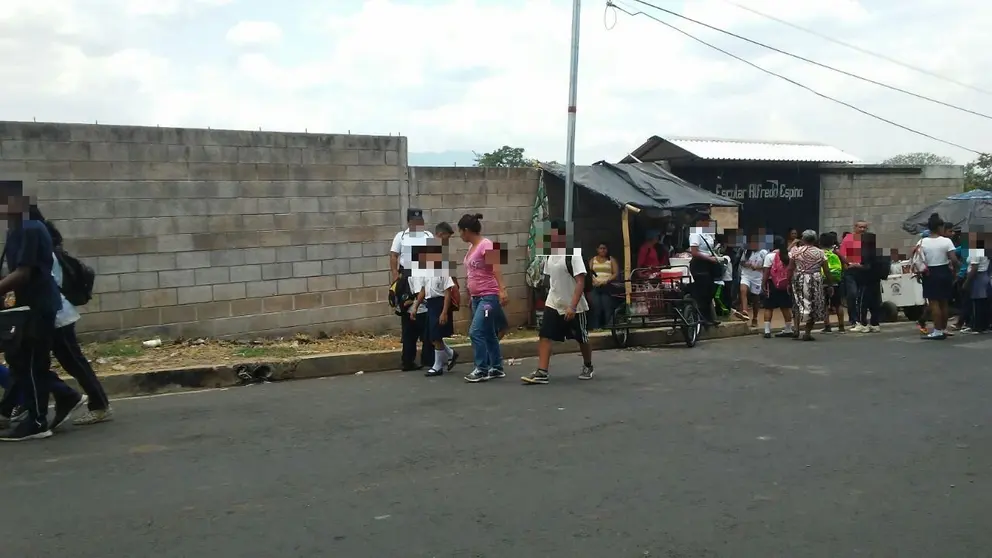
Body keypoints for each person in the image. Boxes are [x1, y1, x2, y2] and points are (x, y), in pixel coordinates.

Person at [0, 186, 85, 441]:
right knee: (22, 363)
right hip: (26, 306)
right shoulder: (16, 229)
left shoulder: (30, 228)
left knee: (34, 364)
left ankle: (37, 422)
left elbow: (24, 273)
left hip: (37, 306)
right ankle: (55, 401)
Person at [522, 220, 594, 385]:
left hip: (574, 304)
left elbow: (580, 282)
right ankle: (542, 372)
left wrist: (573, 306)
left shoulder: (573, 255)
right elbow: (551, 279)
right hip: (554, 301)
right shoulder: (550, 254)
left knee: (581, 337)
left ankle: (588, 365)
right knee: (545, 334)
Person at [458, 213, 509, 383]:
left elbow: (496, 267)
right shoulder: (472, 247)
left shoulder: (486, 244)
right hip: (477, 297)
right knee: (488, 333)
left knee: (475, 331)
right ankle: (496, 367)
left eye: (460, 232)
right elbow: (471, 273)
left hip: (489, 297)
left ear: (466, 230)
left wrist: (502, 290)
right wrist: (469, 295)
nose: (460, 236)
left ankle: (481, 368)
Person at [389, 208, 434, 371]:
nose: (418, 224)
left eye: (420, 221)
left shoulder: (428, 236)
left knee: (426, 318)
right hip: (407, 279)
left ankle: (429, 359)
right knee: (408, 320)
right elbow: (393, 255)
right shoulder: (401, 236)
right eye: (415, 222)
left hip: (424, 276)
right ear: (409, 222)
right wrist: (395, 276)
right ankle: (407, 360)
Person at [408, 244, 458, 377]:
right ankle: (451, 354)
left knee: (436, 336)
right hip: (430, 304)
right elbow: (423, 291)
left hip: (439, 304)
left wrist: (444, 312)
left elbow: (447, 293)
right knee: (431, 336)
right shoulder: (427, 272)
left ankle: (438, 365)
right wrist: (415, 306)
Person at [918, 214, 959, 339]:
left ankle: (937, 330)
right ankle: (943, 328)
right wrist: (956, 270)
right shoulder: (946, 241)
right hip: (944, 271)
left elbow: (918, 259)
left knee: (934, 302)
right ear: (939, 227)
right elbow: (953, 259)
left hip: (930, 273)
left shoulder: (922, 242)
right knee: (944, 302)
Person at [789, 230, 833, 341]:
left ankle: (796, 329)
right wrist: (830, 284)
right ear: (815, 240)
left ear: (803, 239)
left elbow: (790, 268)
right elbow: (826, 270)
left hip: (799, 279)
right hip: (815, 280)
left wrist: (788, 281)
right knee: (813, 305)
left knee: (798, 303)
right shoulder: (820, 253)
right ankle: (807, 333)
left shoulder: (795, 251)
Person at [688, 214, 721, 326]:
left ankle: (709, 317)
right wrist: (709, 258)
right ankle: (703, 319)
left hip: (709, 265)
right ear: (701, 222)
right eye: (708, 221)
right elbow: (694, 252)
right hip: (699, 265)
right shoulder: (695, 234)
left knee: (710, 291)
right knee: (702, 292)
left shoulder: (707, 234)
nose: (709, 223)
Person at [761, 236, 795, 338]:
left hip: (772, 284)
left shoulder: (769, 256)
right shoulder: (789, 255)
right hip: (785, 284)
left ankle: (767, 331)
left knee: (768, 307)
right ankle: (788, 329)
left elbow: (766, 272)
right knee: (785, 307)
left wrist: (763, 284)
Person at [852, 232, 885, 333]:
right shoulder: (878, 252)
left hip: (865, 281)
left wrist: (855, 266)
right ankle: (875, 324)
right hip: (876, 280)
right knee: (874, 303)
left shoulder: (866, 252)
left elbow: (867, 267)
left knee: (862, 303)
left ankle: (863, 324)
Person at [839, 220, 869, 329]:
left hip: (863, 270)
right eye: (860, 227)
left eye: (864, 227)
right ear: (855, 227)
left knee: (863, 297)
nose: (862, 229)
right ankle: (854, 319)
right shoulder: (848, 239)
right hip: (850, 271)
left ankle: (862, 320)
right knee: (852, 294)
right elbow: (842, 254)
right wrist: (846, 266)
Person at [738, 233, 768, 327]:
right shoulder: (746, 251)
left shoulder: (763, 253)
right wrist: (747, 264)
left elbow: (766, 267)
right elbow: (742, 262)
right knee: (743, 290)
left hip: (757, 277)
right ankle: (745, 311)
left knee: (756, 299)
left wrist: (757, 267)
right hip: (746, 275)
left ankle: (755, 318)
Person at [963, 233, 990, 334]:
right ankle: (984, 325)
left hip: (977, 277)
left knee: (977, 303)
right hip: (984, 276)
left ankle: (977, 326)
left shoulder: (975, 251)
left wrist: (966, 282)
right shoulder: (984, 249)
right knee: (983, 302)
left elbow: (974, 268)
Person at [587, 243, 618, 330]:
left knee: (607, 307)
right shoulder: (593, 260)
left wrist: (606, 280)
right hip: (595, 286)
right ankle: (596, 327)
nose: (603, 250)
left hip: (607, 286)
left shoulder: (611, 260)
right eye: (601, 248)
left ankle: (609, 327)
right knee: (596, 307)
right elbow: (589, 272)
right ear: (597, 250)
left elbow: (615, 273)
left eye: (604, 248)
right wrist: (594, 280)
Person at [819, 232, 846, 333]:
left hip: (823, 280)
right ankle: (841, 326)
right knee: (838, 304)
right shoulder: (836, 252)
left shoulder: (819, 252)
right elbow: (844, 261)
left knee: (824, 304)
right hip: (836, 280)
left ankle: (827, 326)